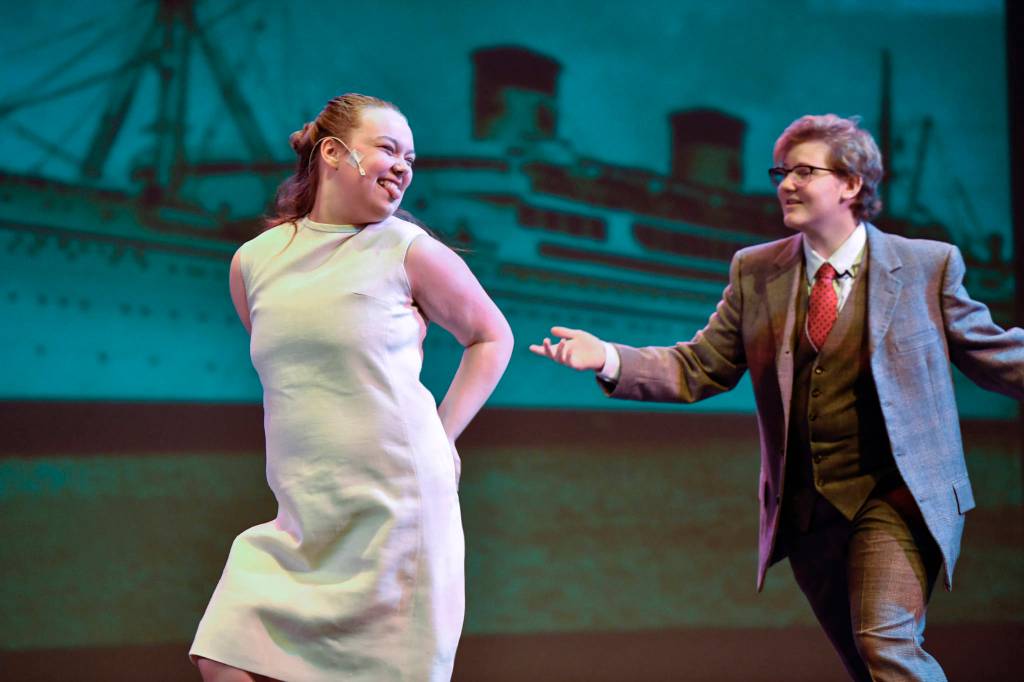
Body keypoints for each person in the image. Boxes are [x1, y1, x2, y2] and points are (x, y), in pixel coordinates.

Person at [530, 114, 1023, 680]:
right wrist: (609, 358)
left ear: (852, 184)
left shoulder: (924, 266)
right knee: (866, 662)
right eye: (780, 172)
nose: (786, 183)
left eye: (804, 171)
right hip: (808, 511)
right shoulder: (756, 270)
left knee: (886, 646)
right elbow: (701, 365)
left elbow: (995, 354)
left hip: (899, 499)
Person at [190, 93, 514, 682]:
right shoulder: (253, 262)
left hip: (397, 505)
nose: (403, 167)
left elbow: (492, 337)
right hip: (305, 509)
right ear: (333, 154)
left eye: (410, 158)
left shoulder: (407, 249)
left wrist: (441, 439)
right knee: (223, 656)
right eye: (387, 149)